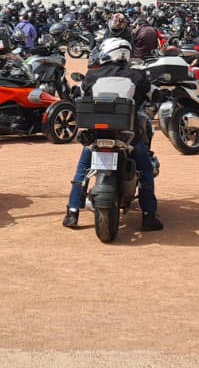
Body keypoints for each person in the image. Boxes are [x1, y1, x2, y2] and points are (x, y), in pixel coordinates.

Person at [63, 38, 162, 232]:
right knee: (145, 170)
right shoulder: (137, 76)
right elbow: (154, 94)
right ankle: (148, 216)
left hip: (96, 136)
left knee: (82, 171)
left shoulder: (92, 76)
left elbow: (78, 94)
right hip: (128, 136)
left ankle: (72, 213)